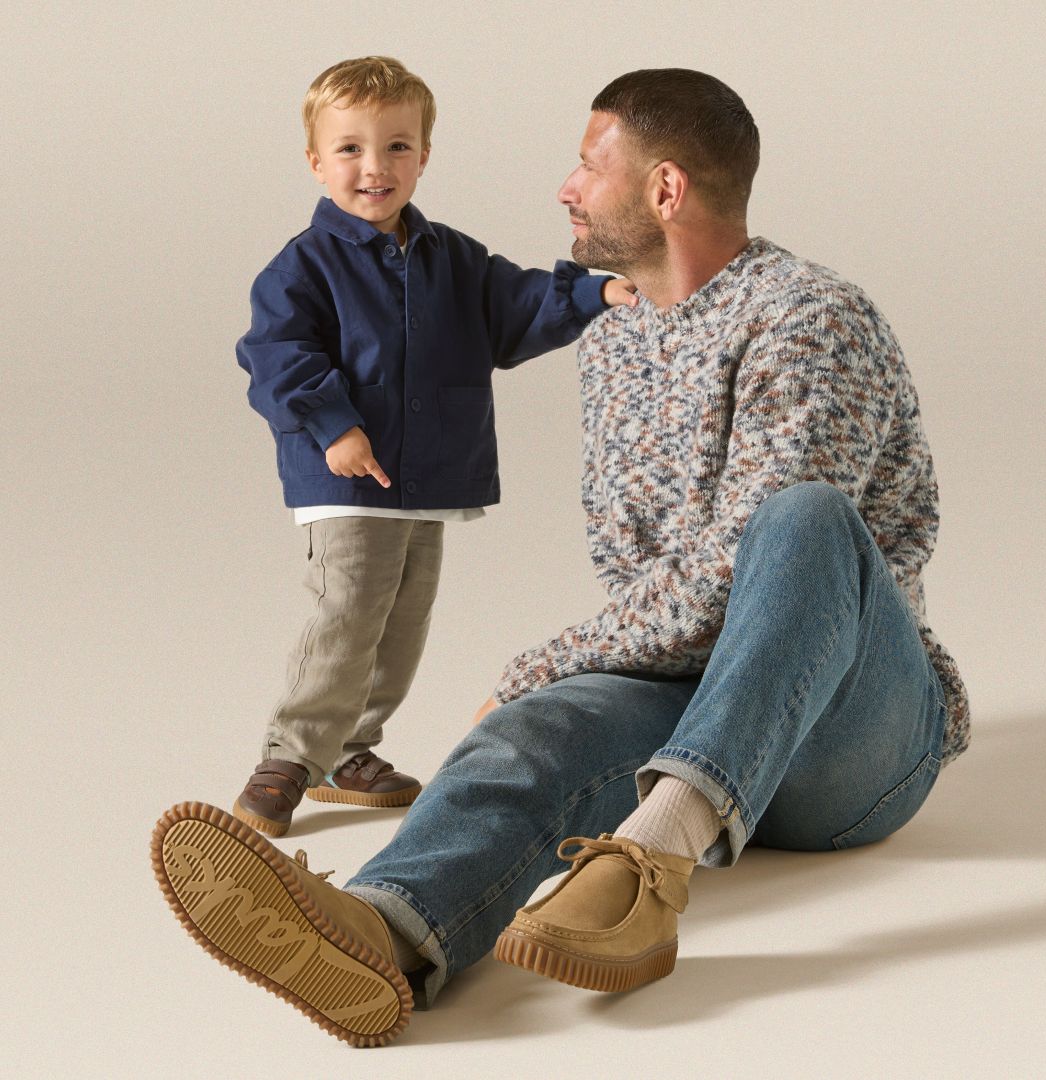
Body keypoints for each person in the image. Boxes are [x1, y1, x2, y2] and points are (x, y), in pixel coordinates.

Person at [152, 67, 970, 1048]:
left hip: (853, 733)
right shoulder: (614, 334)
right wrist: (550, 693)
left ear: (664, 189)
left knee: (802, 518)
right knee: (535, 731)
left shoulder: (809, 318)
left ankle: (649, 863)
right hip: (696, 711)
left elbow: (735, 569)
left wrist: (541, 662)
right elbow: (649, 592)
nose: (566, 188)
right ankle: (383, 928)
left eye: (588, 165)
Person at [229, 56, 634, 838]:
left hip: (428, 477)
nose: (374, 168)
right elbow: (277, 354)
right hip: (347, 478)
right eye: (350, 149)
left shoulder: (453, 257)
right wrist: (333, 425)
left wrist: (598, 292)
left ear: (423, 156)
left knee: (400, 625)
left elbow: (518, 302)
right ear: (315, 161)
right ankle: (289, 756)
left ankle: (351, 750)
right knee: (347, 615)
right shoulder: (302, 266)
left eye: (397, 147)